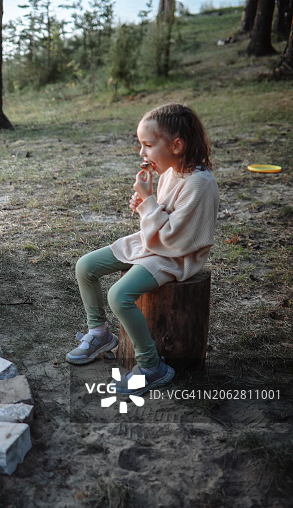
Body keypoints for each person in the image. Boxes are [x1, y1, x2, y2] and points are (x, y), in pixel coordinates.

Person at [65, 103, 219, 396]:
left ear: (176, 145)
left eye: (148, 145)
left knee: (119, 295)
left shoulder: (199, 184)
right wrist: (146, 205)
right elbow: (161, 220)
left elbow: (175, 239)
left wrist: (148, 202)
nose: (142, 153)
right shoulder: (172, 172)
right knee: (85, 266)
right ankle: (99, 334)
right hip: (155, 244)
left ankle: (151, 366)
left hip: (176, 257)